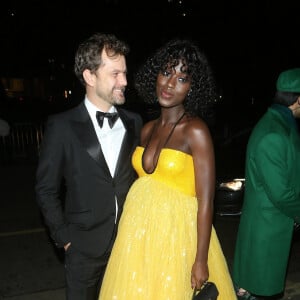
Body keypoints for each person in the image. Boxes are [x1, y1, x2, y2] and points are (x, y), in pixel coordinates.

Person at [99, 38, 237, 299]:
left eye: (182, 79)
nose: (170, 83)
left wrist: (200, 259)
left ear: (192, 88)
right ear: (155, 75)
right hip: (138, 237)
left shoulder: (196, 131)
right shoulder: (147, 129)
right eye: (166, 73)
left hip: (177, 238)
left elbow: (206, 201)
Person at [35, 32, 143, 300]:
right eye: (116, 74)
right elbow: (46, 188)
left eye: (125, 73)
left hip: (126, 247)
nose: (125, 82)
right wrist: (65, 238)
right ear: (89, 77)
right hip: (82, 250)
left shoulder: (135, 122)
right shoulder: (61, 126)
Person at [233, 68, 300, 300]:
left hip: (272, 226)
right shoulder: (273, 132)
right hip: (266, 232)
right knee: (260, 293)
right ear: (298, 99)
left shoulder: (281, 123)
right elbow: (280, 193)